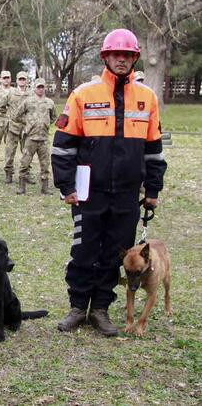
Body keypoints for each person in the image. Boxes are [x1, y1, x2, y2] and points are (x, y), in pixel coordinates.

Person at [51, 28, 167, 336]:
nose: (121, 60)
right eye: (116, 55)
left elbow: (154, 151)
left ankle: (101, 308)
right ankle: (78, 307)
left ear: (134, 59)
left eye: (127, 55)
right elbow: (63, 146)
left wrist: (152, 189)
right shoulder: (83, 95)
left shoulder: (147, 98)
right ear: (106, 57)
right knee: (83, 249)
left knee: (115, 253)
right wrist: (67, 186)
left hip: (128, 193)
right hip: (89, 191)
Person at [12, 78, 56, 195]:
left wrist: (45, 124)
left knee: (45, 164)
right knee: (25, 163)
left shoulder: (50, 102)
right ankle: (22, 187)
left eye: (42, 87)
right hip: (30, 138)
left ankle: (45, 188)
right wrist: (27, 122)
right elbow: (16, 115)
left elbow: (53, 117)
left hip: (44, 138)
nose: (40, 89)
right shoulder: (28, 101)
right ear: (34, 88)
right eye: (38, 87)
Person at [2, 71, 32, 184]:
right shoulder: (10, 93)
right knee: (10, 152)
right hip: (13, 127)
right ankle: (8, 174)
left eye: (24, 79)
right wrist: (8, 118)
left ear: (27, 80)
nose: (22, 81)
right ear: (17, 80)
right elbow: (1, 107)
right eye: (20, 79)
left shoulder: (31, 94)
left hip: (27, 128)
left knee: (27, 152)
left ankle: (26, 174)